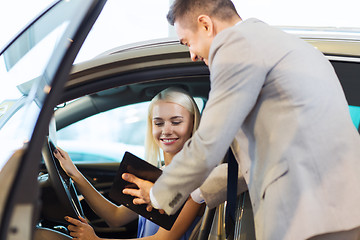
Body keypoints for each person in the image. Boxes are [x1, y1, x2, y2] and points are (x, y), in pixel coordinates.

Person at [121, 0, 360, 240]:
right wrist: (197, 192)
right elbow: (265, 156)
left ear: (205, 24)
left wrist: (157, 194)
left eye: (188, 43)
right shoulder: (284, 45)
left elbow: (209, 142)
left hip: (311, 211)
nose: (192, 54)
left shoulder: (235, 45)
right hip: (338, 208)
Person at [53, 87, 204, 240]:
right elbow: (115, 217)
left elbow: (164, 239)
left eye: (176, 122)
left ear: (193, 124)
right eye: (158, 123)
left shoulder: (196, 180)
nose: (166, 130)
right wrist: (76, 175)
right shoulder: (158, 175)